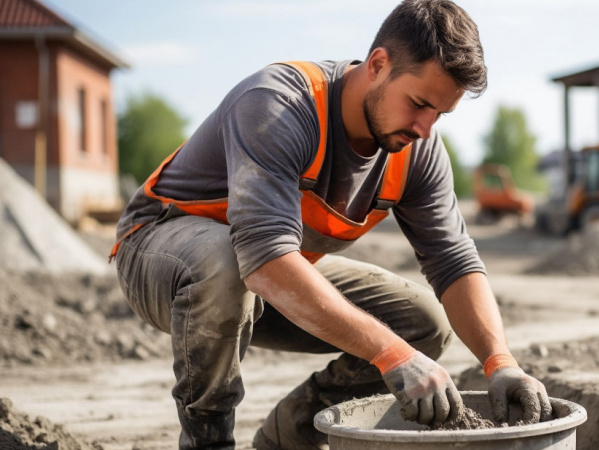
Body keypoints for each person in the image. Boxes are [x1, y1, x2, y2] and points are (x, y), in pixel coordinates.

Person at [111, 0, 551, 448]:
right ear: (378, 64)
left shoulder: (416, 150)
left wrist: (500, 363)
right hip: (162, 257)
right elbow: (262, 259)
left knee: (423, 324)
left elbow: (454, 261)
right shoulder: (281, 106)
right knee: (228, 261)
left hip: (263, 275)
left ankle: (290, 436)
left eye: (439, 113)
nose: (424, 128)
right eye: (419, 103)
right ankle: (208, 442)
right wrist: (389, 353)